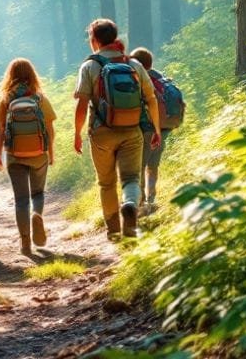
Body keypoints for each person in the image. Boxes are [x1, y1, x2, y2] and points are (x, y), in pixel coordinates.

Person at [73, 18, 161, 238]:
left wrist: (77, 133)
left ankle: (113, 230)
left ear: (94, 39)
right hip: (132, 131)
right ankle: (130, 205)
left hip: (101, 132)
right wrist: (156, 129)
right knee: (131, 178)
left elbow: (82, 103)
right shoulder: (134, 64)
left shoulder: (90, 66)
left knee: (106, 182)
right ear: (115, 37)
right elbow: (151, 99)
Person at [0, 58, 57, 256]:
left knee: (21, 200)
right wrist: (51, 152)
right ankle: (37, 215)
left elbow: (1, 131)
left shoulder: (6, 100)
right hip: (39, 153)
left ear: (10, 76)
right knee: (37, 193)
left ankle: (25, 243)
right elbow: (49, 128)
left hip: (15, 155)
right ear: (32, 75)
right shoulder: (40, 98)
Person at [129, 47, 184, 215]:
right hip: (163, 128)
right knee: (153, 166)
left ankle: (140, 204)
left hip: (146, 129)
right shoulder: (161, 78)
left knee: (139, 166)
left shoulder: (141, 80)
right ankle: (151, 199)